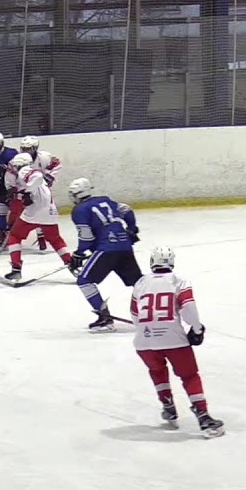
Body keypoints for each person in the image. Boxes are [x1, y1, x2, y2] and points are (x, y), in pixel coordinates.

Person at [129, 245, 224, 438]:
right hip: (174, 340)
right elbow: (188, 308)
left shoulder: (140, 283)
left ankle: (168, 406)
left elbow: (134, 314)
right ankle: (203, 416)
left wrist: (147, 329)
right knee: (189, 376)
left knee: (157, 370)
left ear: (152, 262)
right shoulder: (178, 281)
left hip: (144, 342)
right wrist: (197, 329)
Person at [66, 177, 142, 331]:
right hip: (125, 246)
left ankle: (104, 318)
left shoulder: (80, 210)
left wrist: (78, 254)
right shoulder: (106, 200)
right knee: (139, 283)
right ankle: (156, 311)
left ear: (77, 195)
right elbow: (127, 210)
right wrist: (131, 228)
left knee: (84, 280)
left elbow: (86, 238)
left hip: (106, 249)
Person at [2, 153, 71, 282]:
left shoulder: (25, 170)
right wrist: (20, 192)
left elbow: (37, 177)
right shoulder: (29, 173)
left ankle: (16, 269)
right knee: (55, 239)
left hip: (34, 212)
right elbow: (36, 185)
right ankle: (71, 263)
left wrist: (27, 191)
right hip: (50, 211)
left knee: (14, 236)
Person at [18, 136, 62, 251]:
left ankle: (41, 237)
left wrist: (50, 176)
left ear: (35, 148)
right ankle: (39, 236)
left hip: (42, 188)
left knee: (42, 210)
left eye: (28, 148)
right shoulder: (21, 159)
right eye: (23, 148)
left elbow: (57, 164)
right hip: (29, 188)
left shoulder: (44, 157)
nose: (25, 151)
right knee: (31, 211)